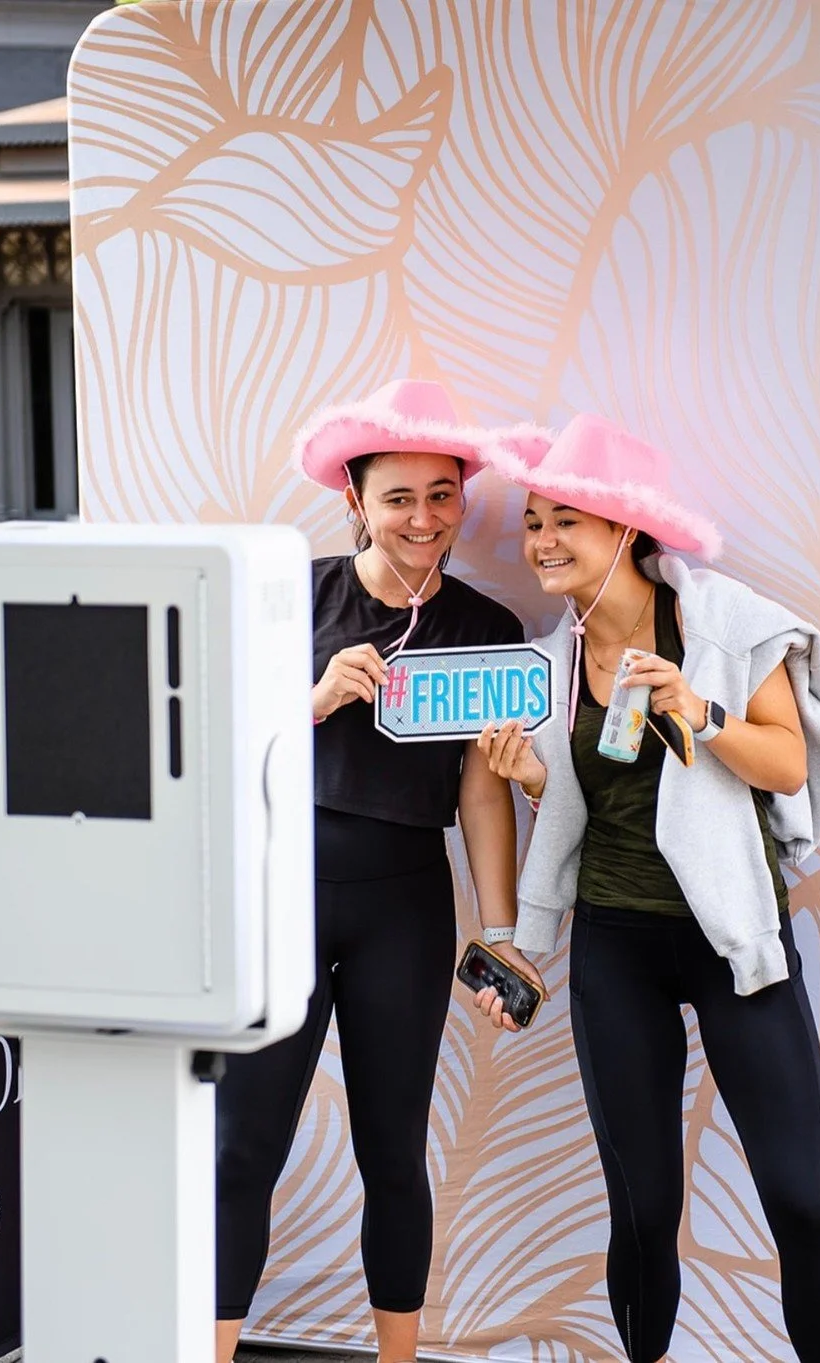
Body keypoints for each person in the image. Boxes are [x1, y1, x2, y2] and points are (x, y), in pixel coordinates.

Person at [476, 412, 820, 1363]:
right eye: (532, 521)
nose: (542, 541)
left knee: (803, 1202)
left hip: (732, 938)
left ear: (626, 531)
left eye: (567, 519)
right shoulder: (552, 663)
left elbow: (786, 768)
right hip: (617, 945)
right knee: (643, 1209)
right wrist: (529, 780)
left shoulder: (719, 622)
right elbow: (577, 809)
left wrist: (703, 710)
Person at [213, 379, 545, 1363]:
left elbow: (484, 793)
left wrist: (501, 927)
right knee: (241, 1152)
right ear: (355, 497)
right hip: (286, 896)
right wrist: (312, 700)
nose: (425, 518)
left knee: (394, 1157)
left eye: (442, 495)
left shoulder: (485, 627)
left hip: (405, 905)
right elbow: (210, 754)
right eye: (400, 496)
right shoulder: (291, 596)